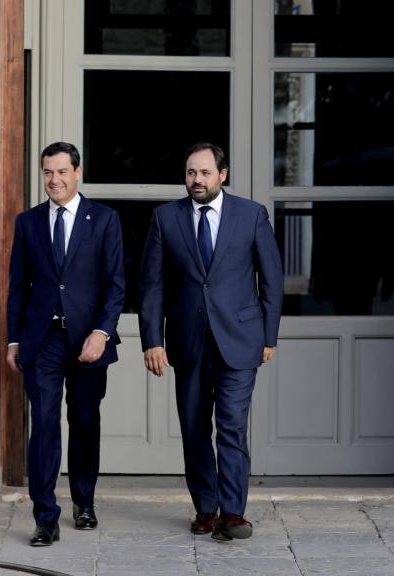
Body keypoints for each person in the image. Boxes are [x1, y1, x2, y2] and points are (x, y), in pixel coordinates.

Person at [138, 142, 283, 541]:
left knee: (233, 428)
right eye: (190, 173)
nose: (196, 180)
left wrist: (268, 336)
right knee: (195, 427)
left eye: (204, 173)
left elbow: (270, 281)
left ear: (223, 174)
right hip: (187, 343)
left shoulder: (251, 216)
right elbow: (151, 286)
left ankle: (233, 513)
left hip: (240, 340)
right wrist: (152, 339)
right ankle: (206, 507)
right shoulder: (165, 218)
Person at [6, 142, 125, 546]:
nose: (53, 180)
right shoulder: (28, 222)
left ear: (77, 172)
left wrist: (102, 332)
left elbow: (115, 285)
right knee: (43, 426)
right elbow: (17, 287)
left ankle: (84, 502)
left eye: (60, 172)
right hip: (43, 341)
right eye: (47, 172)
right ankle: (45, 517)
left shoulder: (105, 220)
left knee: (85, 422)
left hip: (89, 340)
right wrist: (14, 339)